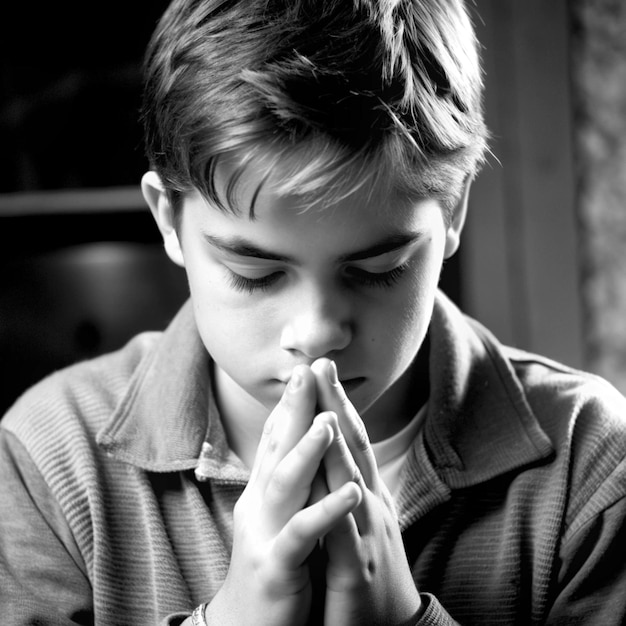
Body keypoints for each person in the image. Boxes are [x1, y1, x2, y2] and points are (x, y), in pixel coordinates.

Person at [2, 0, 626, 624]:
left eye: (379, 270)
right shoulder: (49, 464)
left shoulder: (589, 466)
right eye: (257, 274)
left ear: (454, 211)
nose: (317, 332)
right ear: (169, 218)